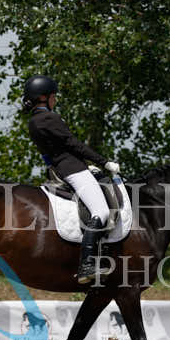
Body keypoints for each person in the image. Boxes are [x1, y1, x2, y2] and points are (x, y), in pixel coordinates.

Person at [24, 75, 120, 284]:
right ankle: (87, 264)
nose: (55, 99)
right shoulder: (49, 118)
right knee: (101, 211)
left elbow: (54, 152)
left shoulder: (33, 121)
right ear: (43, 97)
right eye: (53, 96)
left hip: (62, 168)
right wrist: (104, 162)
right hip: (73, 169)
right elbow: (73, 144)